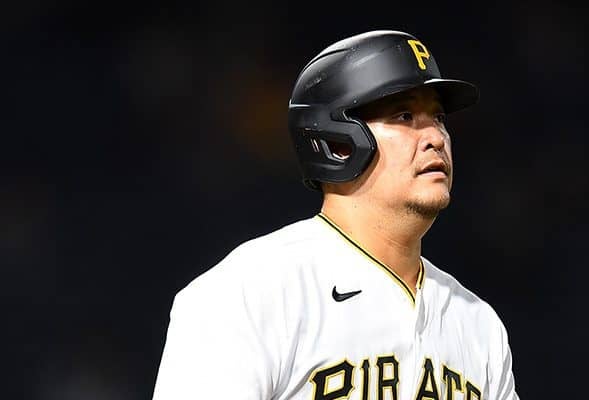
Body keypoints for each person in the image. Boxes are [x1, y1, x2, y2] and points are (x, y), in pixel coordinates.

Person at [152, 29, 519, 400]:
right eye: (405, 115)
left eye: (438, 117)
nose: (436, 138)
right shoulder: (253, 291)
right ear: (338, 141)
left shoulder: (479, 325)